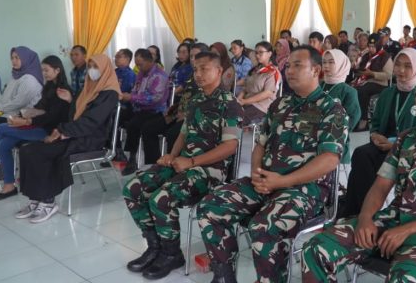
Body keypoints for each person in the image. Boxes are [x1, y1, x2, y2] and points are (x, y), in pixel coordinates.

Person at [301, 70, 416, 283]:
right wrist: (365, 219)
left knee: (404, 278)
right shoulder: (406, 139)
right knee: (316, 248)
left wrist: (407, 230)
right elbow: (380, 187)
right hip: (391, 222)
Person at [196, 45, 348, 283]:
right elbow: (260, 144)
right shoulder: (279, 105)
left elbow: (329, 159)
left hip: (304, 190)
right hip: (266, 181)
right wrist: (257, 174)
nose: (290, 71)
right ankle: (224, 275)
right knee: (210, 206)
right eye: (289, 65)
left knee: (263, 227)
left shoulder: (331, 109)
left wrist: (282, 181)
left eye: (298, 65)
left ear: (316, 70)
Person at [123, 51, 243, 279]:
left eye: (204, 69)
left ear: (219, 71)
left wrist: (192, 161)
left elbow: (230, 147)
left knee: (161, 198)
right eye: (196, 69)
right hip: (183, 163)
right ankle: (155, 247)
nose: (198, 74)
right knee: (133, 189)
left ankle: (171, 254)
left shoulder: (230, 104)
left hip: (209, 170)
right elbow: (184, 133)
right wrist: (171, 155)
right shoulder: (195, 99)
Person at [16, 54, 120, 223]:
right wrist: (71, 101)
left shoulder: (110, 93)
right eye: (90, 66)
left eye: (95, 66)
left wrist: (61, 131)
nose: (91, 70)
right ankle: (35, 199)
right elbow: (75, 116)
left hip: (91, 140)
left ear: (105, 69)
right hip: (76, 134)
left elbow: (91, 122)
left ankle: (48, 202)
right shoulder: (88, 88)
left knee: (42, 153)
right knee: (27, 150)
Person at [0, 56, 72, 200]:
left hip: (50, 131)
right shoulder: (49, 87)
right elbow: (39, 108)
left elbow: (52, 118)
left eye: (46, 70)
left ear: (57, 70)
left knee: (0, 128)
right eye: (42, 70)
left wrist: (26, 121)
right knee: (3, 144)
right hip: (39, 125)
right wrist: (21, 116)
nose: (44, 73)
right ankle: (9, 186)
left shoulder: (62, 91)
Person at [341, 48, 416, 217]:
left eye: (408, 66)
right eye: (398, 65)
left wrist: (395, 143)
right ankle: (356, 212)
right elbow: (376, 121)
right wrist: (374, 135)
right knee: (361, 154)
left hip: (410, 151)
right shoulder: (387, 93)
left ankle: (369, 211)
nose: (401, 70)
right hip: (384, 146)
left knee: (372, 159)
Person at [121, 49, 170, 175]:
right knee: (131, 124)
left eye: (140, 64)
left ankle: (153, 164)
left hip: (157, 111)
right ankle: (131, 158)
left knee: (147, 128)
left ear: (149, 61)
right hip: (142, 110)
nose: (138, 67)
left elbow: (155, 98)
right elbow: (135, 90)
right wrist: (130, 96)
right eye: (137, 64)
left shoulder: (159, 75)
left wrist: (131, 98)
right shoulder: (141, 74)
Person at [321, 49, 361, 163]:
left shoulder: (348, 91)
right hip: (314, 140)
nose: (326, 65)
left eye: (331, 62)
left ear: (341, 64)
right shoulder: (319, 86)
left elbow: (353, 117)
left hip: (335, 143)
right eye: (324, 62)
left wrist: (336, 132)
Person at [352, 33, 393, 132]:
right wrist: (357, 70)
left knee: (362, 90)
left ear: (378, 45)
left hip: (380, 84)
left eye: (373, 47)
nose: (371, 49)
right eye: (369, 46)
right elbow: (361, 68)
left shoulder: (385, 56)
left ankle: (364, 119)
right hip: (366, 81)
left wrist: (372, 74)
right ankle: (355, 118)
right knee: (352, 90)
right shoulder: (366, 55)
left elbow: (388, 75)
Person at [237, 41, 280, 125]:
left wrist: (245, 101)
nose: (257, 55)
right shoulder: (255, 70)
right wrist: (238, 100)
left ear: (269, 54)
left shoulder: (273, 72)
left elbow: (267, 93)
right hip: (248, 103)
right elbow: (246, 87)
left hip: (261, 106)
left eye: (261, 52)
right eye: (256, 53)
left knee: (237, 120)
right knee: (228, 114)